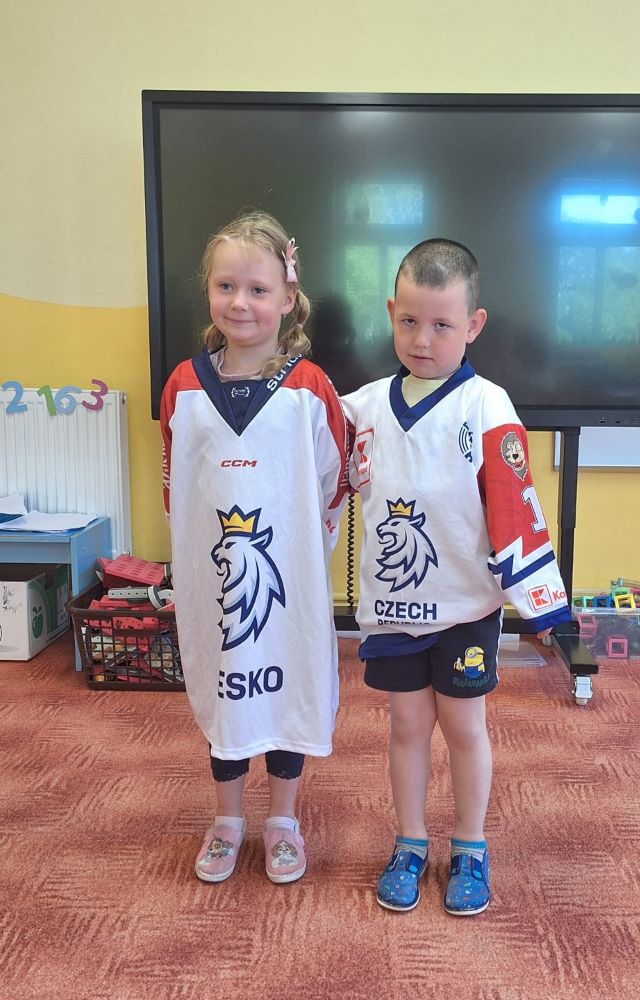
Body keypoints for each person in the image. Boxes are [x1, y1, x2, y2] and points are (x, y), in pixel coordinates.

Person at [342, 238, 571, 916]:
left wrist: (542, 606)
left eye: (442, 324)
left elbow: (514, 504)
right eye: (410, 321)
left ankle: (470, 846)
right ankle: (410, 842)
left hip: (466, 610)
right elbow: (307, 459)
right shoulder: (361, 407)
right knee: (406, 725)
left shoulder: (488, 406)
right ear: (391, 311)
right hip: (393, 610)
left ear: (473, 325)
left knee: (465, 727)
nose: (423, 339)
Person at [160, 211, 348, 885]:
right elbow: (176, 483)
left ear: (288, 297)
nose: (240, 302)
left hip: (286, 577)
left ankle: (283, 820)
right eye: (226, 286)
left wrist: (306, 546)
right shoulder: (184, 386)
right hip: (217, 581)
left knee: (286, 689)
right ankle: (228, 819)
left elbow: (332, 478)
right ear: (208, 290)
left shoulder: (309, 388)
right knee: (227, 690)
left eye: (258, 289)